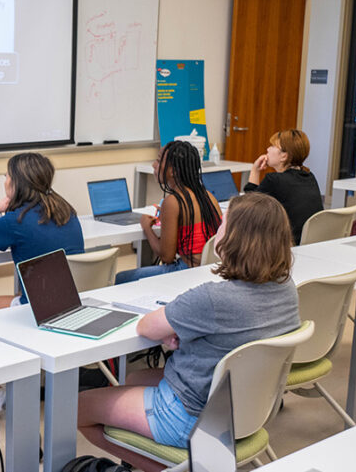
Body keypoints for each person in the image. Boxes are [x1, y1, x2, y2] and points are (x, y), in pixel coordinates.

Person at [77, 193, 300, 471]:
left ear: (236, 238)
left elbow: (146, 326)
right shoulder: (287, 290)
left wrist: (177, 331)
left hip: (190, 417)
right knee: (134, 377)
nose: (217, 230)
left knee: (79, 407)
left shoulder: (212, 299)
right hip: (246, 410)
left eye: (223, 225)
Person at [0, 152, 84, 314]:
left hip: (39, 307)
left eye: (6, 176)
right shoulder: (66, 211)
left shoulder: (14, 220)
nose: (5, 181)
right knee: (21, 292)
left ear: (15, 182)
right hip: (74, 300)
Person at [114, 141, 222, 284]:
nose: (154, 165)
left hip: (187, 272)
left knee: (122, 278)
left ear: (173, 171)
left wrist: (147, 227)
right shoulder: (208, 195)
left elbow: (166, 257)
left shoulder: (173, 202)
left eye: (158, 160)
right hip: (209, 270)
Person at [244, 128, 323, 245]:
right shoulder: (309, 176)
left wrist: (255, 170)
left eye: (272, 146)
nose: (268, 149)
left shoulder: (274, 180)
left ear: (284, 156)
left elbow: (248, 207)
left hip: (285, 247)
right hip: (310, 244)